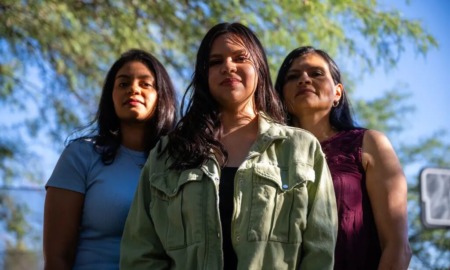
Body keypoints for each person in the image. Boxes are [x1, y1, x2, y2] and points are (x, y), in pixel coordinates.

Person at [120, 22, 337, 270]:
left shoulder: (301, 148)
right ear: (205, 75)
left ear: (259, 68)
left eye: (240, 58)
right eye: (215, 62)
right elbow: (139, 253)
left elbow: (319, 251)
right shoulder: (168, 153)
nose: (228, 67)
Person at [274, 46, 412, 270]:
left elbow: (397, 247)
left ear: (337, 92)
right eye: (293, 77)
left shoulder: (369, 144)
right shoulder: (269, 156)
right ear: (281, 96)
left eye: (316, 73)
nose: (304, 80)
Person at [43, 49, 177, 270]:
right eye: (123, 84)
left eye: (145, 84)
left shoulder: (178, 164)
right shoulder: (81, 155)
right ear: (111, 97)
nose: (134, 89)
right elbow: (57, 258)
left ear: (162, 96)